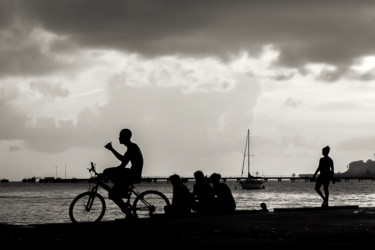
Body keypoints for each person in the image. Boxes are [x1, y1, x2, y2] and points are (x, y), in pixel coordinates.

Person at [103, 128, 144, 217]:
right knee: (109, 173)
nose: (119, 138)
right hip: (132, 173)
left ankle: (126, 208)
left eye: (120, 136)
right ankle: (122, 192)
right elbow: (123, 161)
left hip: (133, 175)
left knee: (113, 194)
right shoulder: (131, 147)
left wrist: (111, 149)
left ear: (125, 137)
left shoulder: (132, 147)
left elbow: (123, 164)